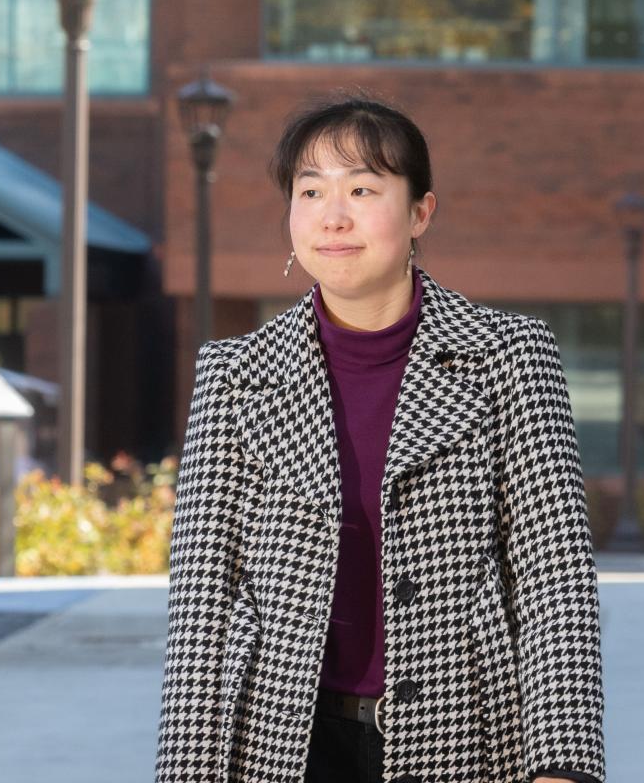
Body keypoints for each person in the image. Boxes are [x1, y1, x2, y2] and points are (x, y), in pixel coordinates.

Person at [153, 94, 606, 783]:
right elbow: (202, 605)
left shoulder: (509, 356)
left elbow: (554, 582)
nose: (333, 215)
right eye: (311, 192)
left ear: (421, 211)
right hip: (277, 746)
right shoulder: (234, 374)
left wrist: (563, 766)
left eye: (363, 189)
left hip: (467, 738)